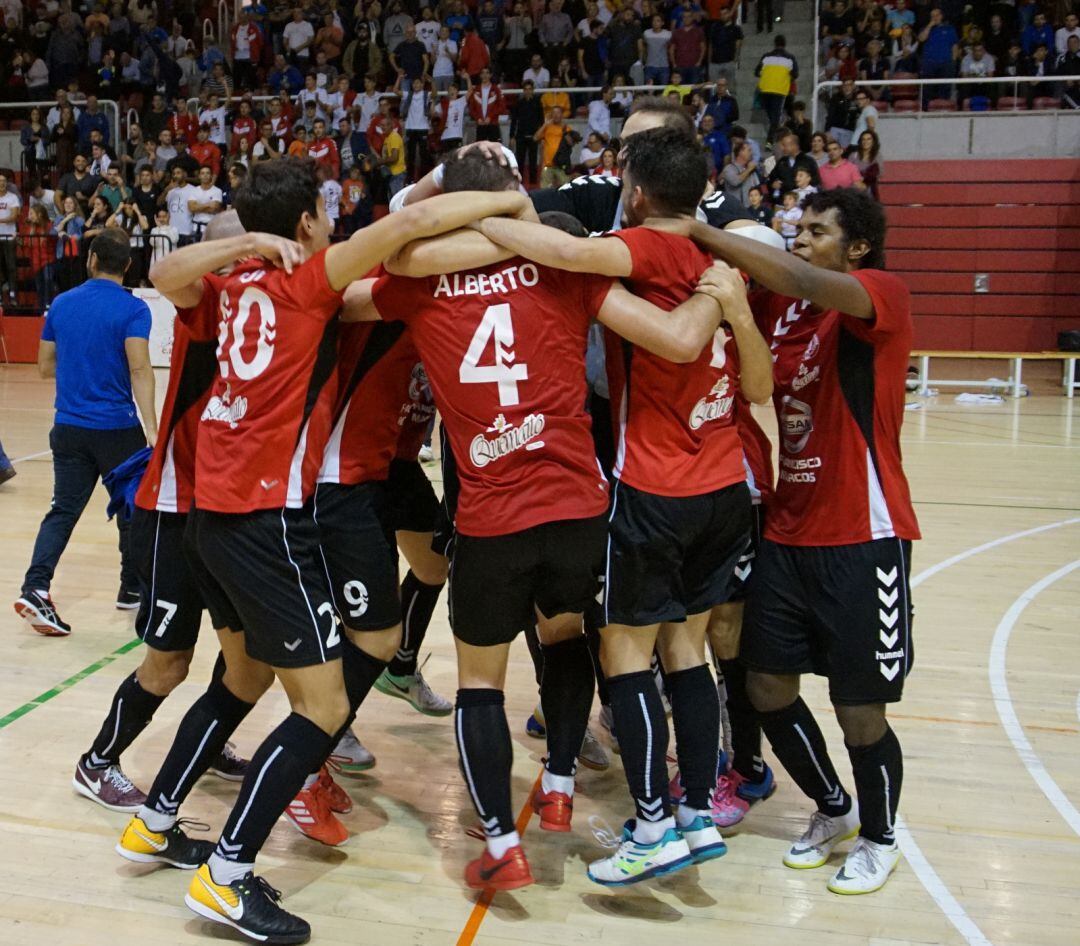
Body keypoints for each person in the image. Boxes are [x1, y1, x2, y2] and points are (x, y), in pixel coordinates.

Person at [118, 157, 532, 943]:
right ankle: (229, 874)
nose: (333, 227)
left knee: (241, 678)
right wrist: (514, 199)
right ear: (306, 223)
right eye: (326, 216)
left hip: (210, 518)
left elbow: (167, 269)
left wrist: (247, 249)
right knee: (325, 706)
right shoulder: (310, 283)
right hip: (266, 524)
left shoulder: (228, 291)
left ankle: (156, 820)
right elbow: (407, 224)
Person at [360, 145, 737, 890]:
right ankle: (561, 784)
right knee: (569, 637)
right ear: (513, 197)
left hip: (491, 514)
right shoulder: (567, 266)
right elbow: (672, 338)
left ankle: (502, 842)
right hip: (577, 507)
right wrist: (717, 299)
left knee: (480, 681)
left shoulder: (419, 281)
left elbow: (378, 259)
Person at [471, 128, 773, 886]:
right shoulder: (722, 263)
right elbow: (761, 391)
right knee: (687, 650)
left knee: (625, 655)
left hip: (657, 487)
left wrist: (480, 217)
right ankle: (697, 813)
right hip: (724, 486)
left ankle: (649, 827)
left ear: (634, 190)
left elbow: (570, 255)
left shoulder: (646, 246)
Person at [665, 187, 919, 896]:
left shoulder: (879, 294)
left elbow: (797, 276)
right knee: (766, 683)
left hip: (863, 533)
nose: (797, 238)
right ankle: (832, 807)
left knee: (859, 706)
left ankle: (879, 834)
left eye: (815, 229)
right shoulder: (783, 315)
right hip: (786, 524)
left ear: (857, 246)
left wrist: (700, 228)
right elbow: (751, 299)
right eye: (795, 227)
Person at [71, 212, 253, 813]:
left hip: (224, 514)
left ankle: (209, 741)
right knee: (169, 662)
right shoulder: (204, 300)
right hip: (173, 510)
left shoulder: (265, 310)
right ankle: (97, 762)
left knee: (243, 661)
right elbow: (171, 273)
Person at [13, 229, 157, 636]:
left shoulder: (61, 303)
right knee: (132, 513)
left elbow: (44, 366)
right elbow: (140, 368)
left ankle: (36, 587)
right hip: (117, 430)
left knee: (63, 511)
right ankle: (133, 589)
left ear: (91, 259)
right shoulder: (133, 309)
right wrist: (153, 428)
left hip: (68, 428)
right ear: (128, 265)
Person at [755, 34, 797, 143]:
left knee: (772, 117)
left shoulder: (766, 57)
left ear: (775, 44)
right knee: (775, 119)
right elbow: (795, 74)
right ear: (785, 44)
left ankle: (774, 139)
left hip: (765, 90)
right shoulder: (790, 58)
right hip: (779, 90)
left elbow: (756, 72)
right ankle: (770, 142)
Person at [0, 172, 20, 304]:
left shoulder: (12, 197)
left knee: (11, 266)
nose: (2, 183)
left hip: (9, 236)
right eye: (0, 181)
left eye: (4, 181)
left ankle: (13, 293)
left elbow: (14, 216)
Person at [722, 140, 758, 204]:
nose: (751, 153)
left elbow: (757, 186)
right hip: (734, 208)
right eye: (749, 150)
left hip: (749, 208)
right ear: (740, 152)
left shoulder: (751, 169)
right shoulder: (729, 169)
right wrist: (749, 169)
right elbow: (735, 182)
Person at [850, 130, 882, 201]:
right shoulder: (853, 155)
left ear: (873, 141)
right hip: (854, 188)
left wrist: (865, 179)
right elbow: (847, 171)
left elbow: (879, 173)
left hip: (869, 188)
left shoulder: (877, 156)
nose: (865, 141)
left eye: (868, 139)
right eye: (863, 139)